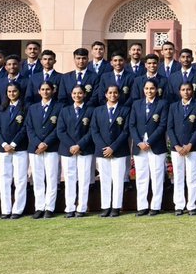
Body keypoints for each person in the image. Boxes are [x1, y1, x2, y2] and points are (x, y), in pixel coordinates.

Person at [130, 79, 169, 216]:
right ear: (143, 90)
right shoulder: (136, 104)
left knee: (157, 176)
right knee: (141, 176)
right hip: (140, 146)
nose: (149, 91)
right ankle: (142, 206)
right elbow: (132, 125)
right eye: (146, 88)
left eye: (152, 88)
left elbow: (163, 125)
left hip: (156, 145)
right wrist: (139, 142)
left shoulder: (162, 104)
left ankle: (155, 206)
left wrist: (150, 142)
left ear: (156, 90)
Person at [91, 85, 131, 217]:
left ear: (119, 94)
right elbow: (94, 131)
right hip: (102, 151)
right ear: (106, 94)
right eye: (110, 92)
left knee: (118, 179)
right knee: (105, 179)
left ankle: (116, 207)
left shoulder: (125, 110)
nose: (112, 95)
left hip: (119, 150)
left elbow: (126, 131)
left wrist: (113, 148)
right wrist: (105, 148)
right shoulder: (98, 111)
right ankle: (106, 206)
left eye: (115, 92)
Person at [56, 86, 93, 217]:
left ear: (84, 94)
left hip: (84, 149)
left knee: (84, 179)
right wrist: (72, 146)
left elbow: (92, 130)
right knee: (69, 179)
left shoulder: (90, 110)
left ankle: (81, 208)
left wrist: (79, 145)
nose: (77, 95)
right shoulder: (65, 110)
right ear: (71, 95)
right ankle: (70, 208)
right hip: (68, 150)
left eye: (80, 93)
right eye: (74, 93)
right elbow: (60, 131)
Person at [26, 81, 61, 219]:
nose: (45, 92)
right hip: (35, 149)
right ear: (39, 91)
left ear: (53, 91)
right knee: (38, 179)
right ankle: (39, 207)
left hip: (51, 148)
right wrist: (38, 143)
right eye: (43, 89)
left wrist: (46, 143)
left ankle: (49, 208)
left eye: (48, 89)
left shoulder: (59, 107)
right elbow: (29, 128)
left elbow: (58, 128)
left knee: (52, 178)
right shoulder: (32, 108)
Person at [167, 82, 196, 216]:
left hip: (193, 148)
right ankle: (179, 205)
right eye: (183, 89)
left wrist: (190, 144)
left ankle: (191, 206)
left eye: (188, 89)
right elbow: (170, 127)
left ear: (192, 91)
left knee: (192, 178)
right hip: (176, 148)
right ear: (179, 92)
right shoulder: (173, 107)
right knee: (178, 177)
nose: (186, 92)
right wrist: (176, 145)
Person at [0, 84, 30, 219]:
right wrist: (4, 144)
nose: (12, 93)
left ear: (19, 92)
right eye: (9, 91)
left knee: (20, 179)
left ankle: (17, 210)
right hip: (4, 149)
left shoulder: (25, 108)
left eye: (14, 91)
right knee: (4, 179)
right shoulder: (2, 109)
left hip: (19, 148)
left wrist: (14, 144)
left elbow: (25, 128)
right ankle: (6, 210)